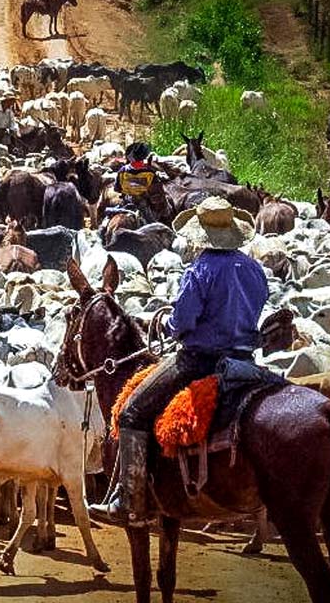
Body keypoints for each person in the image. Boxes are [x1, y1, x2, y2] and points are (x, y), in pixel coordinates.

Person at [88, 196, 269, 527]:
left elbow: (183, 322)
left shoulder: (200, 269)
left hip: (200, 361)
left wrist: (167, 324)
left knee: (131, 412)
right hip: (244, 360)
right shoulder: (254, 268)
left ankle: (131, 501)